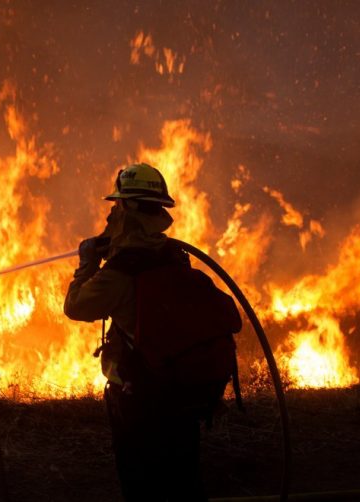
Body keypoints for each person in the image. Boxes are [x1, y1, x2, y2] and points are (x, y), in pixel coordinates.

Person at [64, 163, 210, 501]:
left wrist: (87, 263)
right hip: (181, 394)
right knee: (184, 483)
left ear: (128, 209)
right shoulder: (175, 255)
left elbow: (75, 307)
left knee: (142, 486)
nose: (111, 214)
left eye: (116, 206)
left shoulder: (121, 271)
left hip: (140, 399)